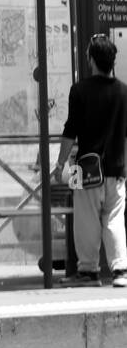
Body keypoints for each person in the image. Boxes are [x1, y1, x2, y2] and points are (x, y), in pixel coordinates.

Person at [53, 34, 127, 287]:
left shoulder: (79, 90)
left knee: (85, 221)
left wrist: (60, 164)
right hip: (117, 168)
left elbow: (70, 131)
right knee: (114, 218)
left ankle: (88, 271)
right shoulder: (124, 92)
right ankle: (120, 271)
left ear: (91, 59)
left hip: (83, 168)